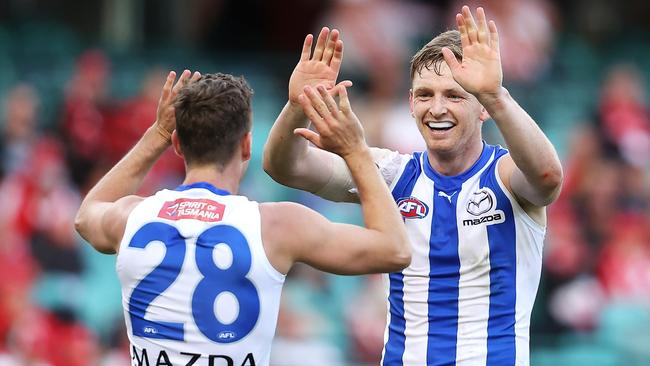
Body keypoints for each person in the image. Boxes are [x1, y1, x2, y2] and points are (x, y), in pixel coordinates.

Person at [263, 5, 563, 365]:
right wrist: (297, 105)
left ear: (482, 107)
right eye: (425, 95)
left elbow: (548, 179)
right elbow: (285, 166)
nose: (436, 108)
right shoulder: (393, 173)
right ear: (410, 103)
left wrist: (496, 96)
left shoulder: (506, 176)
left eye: (454, 95)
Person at [74, 70, 410, 366]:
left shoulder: (131, 216)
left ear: (178, 144)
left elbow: (86, 214)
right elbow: (394, 249)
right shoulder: (276, 226)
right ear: (247, 145)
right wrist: (355, 151)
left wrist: (157, 134)